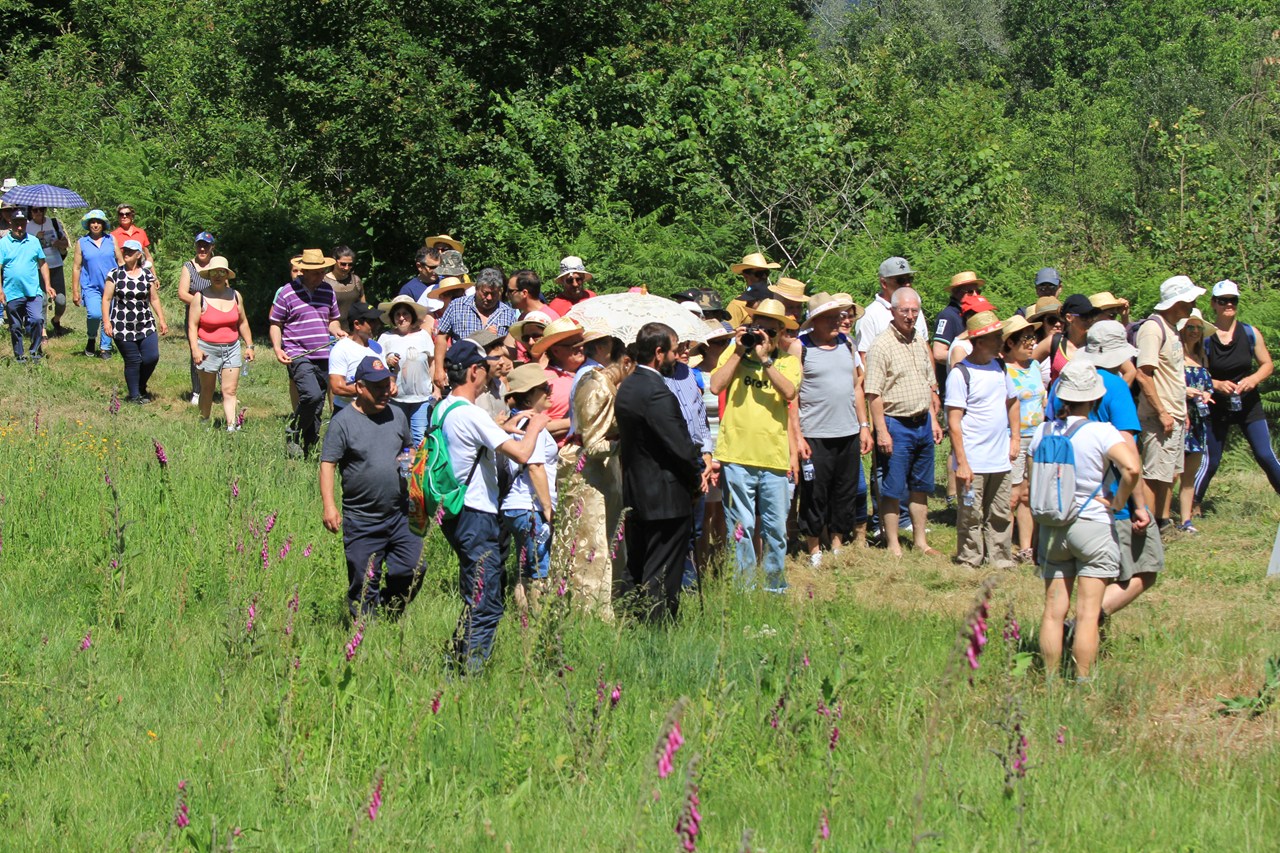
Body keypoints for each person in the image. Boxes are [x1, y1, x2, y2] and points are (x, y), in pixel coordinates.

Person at [438, 340, 550, 672]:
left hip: (454, 511)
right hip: (477, 514)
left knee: (474, 592)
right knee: (487, 601)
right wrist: (536, 426)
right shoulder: (472, 413)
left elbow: (466, 440)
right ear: (474, 371)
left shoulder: (444, 408)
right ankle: (468, 674)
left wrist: (501, 428)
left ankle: (455, 661)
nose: (489, 374)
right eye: (485, 368)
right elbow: (523, 454)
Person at [1030, 360, 1143, 681]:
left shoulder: (1042, 431)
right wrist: (1118, 502)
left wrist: (1037, 533)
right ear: (1095, 397)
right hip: (1092, 523)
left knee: (1053, 612)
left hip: (1053, 527)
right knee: (1088, 614)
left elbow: (1034, 484)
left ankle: (1050, 682)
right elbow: (1132, 468)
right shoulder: (1101, 431)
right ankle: (1083, 683)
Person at [1049, 321, 1162, 634]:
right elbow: (1129, 453)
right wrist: (1138, 506)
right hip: (1109, 500)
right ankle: (1083, 624)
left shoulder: (1062, 384)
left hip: (1063, 501)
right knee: (1145, 570)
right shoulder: (1114, 386)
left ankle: (1075, 628)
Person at [320, 356, 424, 619]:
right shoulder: (343, 422)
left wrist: (409, 459)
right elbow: (328, 464)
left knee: (413, 568)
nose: (385, 392)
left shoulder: (397, 415)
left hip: (400, 514)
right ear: (359, 387)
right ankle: (365, 630)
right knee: (364, 582)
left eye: (386, 385)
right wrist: (329, 506)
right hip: (362, 519)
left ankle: (391, 607)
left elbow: (408, 447)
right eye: (377, 387)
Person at [616, 323, 704, 621]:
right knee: (662, 573)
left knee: (637, 565)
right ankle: (656, 629)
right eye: (674, 350)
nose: (677, 356)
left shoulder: (628, 386)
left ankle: (629, 623)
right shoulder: (656, 393)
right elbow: (680, 447)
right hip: (665, 497)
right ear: (658, 352)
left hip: (637, 492)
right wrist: (695, 482)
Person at [711, 298, 800, 591]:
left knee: (775, 529)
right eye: (758, 328)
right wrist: (739, 351)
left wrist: (765, 361)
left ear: (781, 334)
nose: (763, 336)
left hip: (773, 457)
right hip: (736, 455)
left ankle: (774, 588)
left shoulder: (788, 362)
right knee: (742, 527)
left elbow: (789, 392)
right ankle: (744, 590)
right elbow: (716, 385)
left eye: (771, 332)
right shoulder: (734, 353)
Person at [864, 287, 943, 558]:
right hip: (895, 424)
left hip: (922, 422)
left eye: (914, 311)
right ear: (893, 310)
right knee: (893, 488)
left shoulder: (919, 340)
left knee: (921, 487)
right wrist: (881, 431)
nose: (910, 316)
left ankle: (921, 541)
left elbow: (927, 383)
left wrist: (933, 420)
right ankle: (893, 544)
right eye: (904, 311)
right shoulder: (881, 345)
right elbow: (873, 394)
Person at [796, 293, 871, 565]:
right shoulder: (800, 347)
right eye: (828, 318)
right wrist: (797, 435)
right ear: (814, 321)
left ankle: (837, 542)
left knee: (844, 490)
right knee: (815, 493)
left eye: (837, 316)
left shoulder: (847, 344)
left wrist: (864, 425)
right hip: (815, 433)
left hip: (848, 431)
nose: (836, 322)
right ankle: (814, 548)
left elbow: (856, 387)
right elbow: (793, 395)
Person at [1194, 279, 1280, 509]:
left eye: (1233, 300)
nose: (1228, 305)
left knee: (1265, 454)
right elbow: (1195, 371)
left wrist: (1253, 380)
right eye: (1223, 301)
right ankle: (1192, 505)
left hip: (1249, 403)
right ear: (1213, 303)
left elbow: (1267, 365)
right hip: (1215, 404)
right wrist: (1215, 384)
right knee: (1211, 461)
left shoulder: (1250, 333)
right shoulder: (1204, 337)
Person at [945, 309, 1018, 569]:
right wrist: (962, 463)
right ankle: (970, 558)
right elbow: (954, 422)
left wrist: (1015, 438)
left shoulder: (1000, 367)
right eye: (996, 337)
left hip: (1000, 458)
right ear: (979, 341)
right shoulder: (961, 374)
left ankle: (1000, 557)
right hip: (974, 460)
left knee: (1000, 512)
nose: (1001, 341)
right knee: (970, 513)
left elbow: (1013, 402)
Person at [568, 337, 630, 618]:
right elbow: (592, 444)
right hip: (592, 476)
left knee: (610, 539)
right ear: (625, 362)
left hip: (607, 473)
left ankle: (612, 602)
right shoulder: (596, 386)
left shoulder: (607, 385)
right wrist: (628, 440)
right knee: (595, 544)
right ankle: (591, 609)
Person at [1135, 275, 1201, 535]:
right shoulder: (1153, 329)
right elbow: (1144, 374)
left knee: (1168, 474)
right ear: (1177, 301)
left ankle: (1161, 523)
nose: (1194, 304)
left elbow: (1172, 374)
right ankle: (1147, 532)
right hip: (1158, 416)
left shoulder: (1172, 328)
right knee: (1153, 476)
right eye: (1190, 299)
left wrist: (1181, 409)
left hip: (1174, 413)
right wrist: (1162, 412)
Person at [269, 248, 345, 457]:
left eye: (322, 271)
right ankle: (293, 432)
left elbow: (332, 320)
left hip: (323, 354)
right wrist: (277, 348)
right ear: (303, 271)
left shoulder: (327, 291)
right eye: (316, 272)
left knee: (318, 405)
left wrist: (337, 331)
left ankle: (309, 446)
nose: (320, 275)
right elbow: (276, 323)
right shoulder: (287, 292)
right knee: (311, 396)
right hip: (297, 353)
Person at [499, 364, 559, 607]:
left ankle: (521, 619)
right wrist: (548, 509)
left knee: (525, 568)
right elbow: (535, 467)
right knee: (539, 572)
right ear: (530, 395)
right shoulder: (533, 426)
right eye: (545, 388)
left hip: (516, 506)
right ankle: (536, 620)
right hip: (530, 506)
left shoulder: (519, 422)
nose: (550, 392)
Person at [662, 330, 714, 587]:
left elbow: (701, 418)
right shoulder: (655, 379)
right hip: (671, 459)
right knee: (673, 527)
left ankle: (690, 586)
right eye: (679, 346)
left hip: (695, 457)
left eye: (687, 346)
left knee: (695, 527)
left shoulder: (689, 375)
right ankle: (671, 584)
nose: (685, 351)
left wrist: (707, 453)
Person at [188, 256, 253, 429]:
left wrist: (249, 345)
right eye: (214, 272)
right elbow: (192, 326)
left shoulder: (235, 296)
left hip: (232, 348)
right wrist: (195, 349)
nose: (217, 276)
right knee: (207, 389)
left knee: (230, 390)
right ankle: (204, 421)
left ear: (227, 275)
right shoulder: (199, 297)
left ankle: (232, 427)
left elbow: (243, 322)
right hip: (207, 349)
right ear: (209, 275)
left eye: (221, 272)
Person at [1001, 314, 1045, 563]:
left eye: (1033, 337)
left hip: (1037, 438)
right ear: (1010, 342)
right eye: (1026, 338)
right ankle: (1002, 547)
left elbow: (1042, 399)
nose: (1032, 343)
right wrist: (1014, 438)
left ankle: (1026, 548)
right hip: (1013, 438)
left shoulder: (1035, 366)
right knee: (1011, 496)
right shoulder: (1002, 369)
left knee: (1028, 496)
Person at [102, 239, 168, 402]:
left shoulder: (147, 275)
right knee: (133, 360)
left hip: (145, 324)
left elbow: (154, 299)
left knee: (151, 357)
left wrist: (161, 319)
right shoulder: (115, 274)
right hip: (122, 326)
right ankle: (134, 396)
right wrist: (107, 322)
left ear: (139, 255)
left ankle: (140, 385)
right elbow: (106, 299)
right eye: (125, 250)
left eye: (131, 251)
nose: (126, 253)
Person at [432, 267, 519, 387]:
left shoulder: (508, 313)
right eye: (485, 293)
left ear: (500, 291)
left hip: (495, 381)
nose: (489, 298)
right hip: (462, 375)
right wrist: (439, 369)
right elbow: (441, 338)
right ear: (477, 288)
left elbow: (513, 347)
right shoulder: (457, 306)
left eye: (493, 294)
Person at [377, 296, 436, 446]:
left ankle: (419, 463)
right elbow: (377, 364)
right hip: (395, 397)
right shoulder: (385, 338)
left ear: (412, 316)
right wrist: (387, 362)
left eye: (405, 314)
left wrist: (436, 388)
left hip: (421, 397)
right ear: (392, 318)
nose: (401, 318)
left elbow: (432, 363)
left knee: (419, 437)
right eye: (397, 314)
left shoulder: (423, 335)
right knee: (396, 436)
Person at [0, 210, 54, 362]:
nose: (19, 227)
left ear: (26, 223)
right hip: (12, 292)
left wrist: (48, 285)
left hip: (33, 291)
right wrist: (0, 290)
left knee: (37, 319)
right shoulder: (3, 243)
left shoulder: (34, 241)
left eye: (22, 223)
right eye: (16, 223)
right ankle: (19, 355)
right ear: (11, 223)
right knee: (15, 326)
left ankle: (35, 351)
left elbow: (42, 263)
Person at [1178, 309, 1213, 533]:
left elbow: (1208, 384)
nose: (1195, 331)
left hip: (1199, 420)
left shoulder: (1201, 356)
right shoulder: (1174, 355)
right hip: (1180, 417)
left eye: (1199, 328)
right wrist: (1185, 391)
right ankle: (1160, 518)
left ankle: (1186, 520)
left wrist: (1208, 393)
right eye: (1190, 327)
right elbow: (1166, 384)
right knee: (1171, 474)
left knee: (1189, 475)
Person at [177, 232, 218, 405]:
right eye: (199, 245)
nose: (202, 249)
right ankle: (197, 391)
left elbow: (226, 288)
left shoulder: (217, 265)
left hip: (216, 316)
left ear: (212, 247)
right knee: (196, 350)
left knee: (219, 350)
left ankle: (222, 390)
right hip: (195, 316)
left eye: (206, 246)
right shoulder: (189, 266)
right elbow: (182, 293)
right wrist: (201, 303)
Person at [533, 317, 588, 443]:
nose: (581, 348)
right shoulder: (544, 381)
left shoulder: (593, 370)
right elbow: (536, 426)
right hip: (564, 452)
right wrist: (580, 420)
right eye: (574, 345)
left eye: (582, 343)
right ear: (556, 351)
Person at [71, 209, 116, 358]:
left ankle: (105, 347)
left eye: (98, 222)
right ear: (88, 224)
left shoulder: (111, 240)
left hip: (110, 285)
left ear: (103, 225)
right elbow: (77, 267)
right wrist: (75, 291)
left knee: (108, 316)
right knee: (94, 314)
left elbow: (121, 261)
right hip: (90, 286)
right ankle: (91, 337)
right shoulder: (82, 242)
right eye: (92, 222)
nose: (95, 225)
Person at [329, 303, 386, 410]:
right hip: (347, 410)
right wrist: (370, 391)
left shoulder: (377, 347)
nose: (378, 324)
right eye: (372, 321)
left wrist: (391, 384)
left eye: (377, 320)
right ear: (357, 324)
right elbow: (337, 387)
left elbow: (386, 376)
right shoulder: (341, 349)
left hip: (375, 409)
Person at [1034, 294, 1097, 384]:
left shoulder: (1096, 343)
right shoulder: (1054, 342)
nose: (1090, 320)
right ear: (1069, 318)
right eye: (1085, 316)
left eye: (1092, 315)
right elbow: (1026, 367)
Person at [26, 207, 69, 336]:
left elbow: (66, 243)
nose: (39, 212)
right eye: (35, 210)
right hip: (37, 268)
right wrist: (36, 238)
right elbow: (25, 249)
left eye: (42, 209)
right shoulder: (28, 227)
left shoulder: (54, 222)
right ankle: (43, 331)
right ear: (31, 212)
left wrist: (58, 243)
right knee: (42, 301)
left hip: (56, 266)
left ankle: (56, 320)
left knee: (61, 300)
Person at [726, 252, 780, 328]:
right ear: (746, 276)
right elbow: (729, 332)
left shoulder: (774, 300)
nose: (764, 276)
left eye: (766, 272)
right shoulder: (736, 305)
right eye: (759, 273)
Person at [325, 245, 365, 325]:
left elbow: (363, 305)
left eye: (350, 264)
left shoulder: (356, 280)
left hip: (355, 328)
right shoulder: (324, 282)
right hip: (332, 329)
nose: (346, 268)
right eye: (343, 264)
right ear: (334, 261)